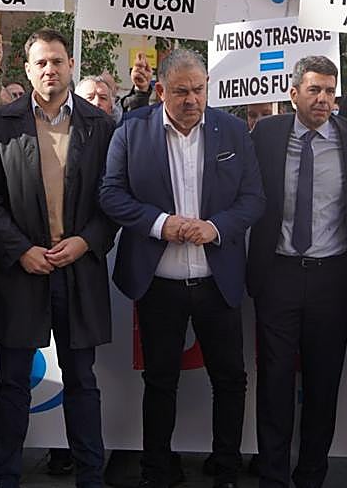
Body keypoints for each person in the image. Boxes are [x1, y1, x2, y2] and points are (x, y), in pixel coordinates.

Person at [100, 49, 264, 488]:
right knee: (160, 380)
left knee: (230, 379)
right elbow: (111, 194)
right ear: (160, 91)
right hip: (159, 284)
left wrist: (216, 228)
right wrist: (160, 224)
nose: (192, 99)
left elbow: (253, 198)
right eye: (181, 91)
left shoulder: (232, 130)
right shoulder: (132, 130)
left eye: (199, 89)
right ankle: (157, 467)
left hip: (218, 282)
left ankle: (226, 468)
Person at [0, 29, 117, 488]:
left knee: (82, 383)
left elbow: (113, 200)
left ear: (71, 64)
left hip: (78, 270)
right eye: (41, 63)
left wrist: (87, 241)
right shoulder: (5, 122)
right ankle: (5, 478)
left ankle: (91, 478)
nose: (50, 70)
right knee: (13, 385)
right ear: (28, 69)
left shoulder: (100, 125)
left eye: (57, 61)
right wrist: (20, 250)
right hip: (23, 272)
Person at [247, 56, 347, 488]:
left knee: (323, 383)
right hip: (276, 274)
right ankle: (273, 477)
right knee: (275, 383)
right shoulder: (267, 133)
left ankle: (312, 474)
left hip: (331, 279)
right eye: (314, 90)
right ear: (293, 91)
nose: (323, 99)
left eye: (330, 91)